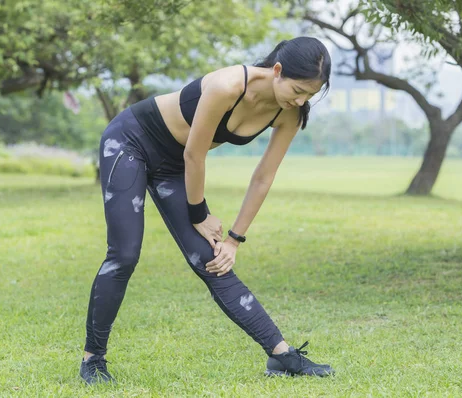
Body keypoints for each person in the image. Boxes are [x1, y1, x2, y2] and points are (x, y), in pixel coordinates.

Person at [80, 36, 333, 385]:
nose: (301, 100)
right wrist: (200, 214)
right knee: (124, 254)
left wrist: (234, 239)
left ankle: (282, 356)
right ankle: (93, 360)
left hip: (176, 165)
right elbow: (194, 156)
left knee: (213, 261)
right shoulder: (227, 85)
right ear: (277, 71)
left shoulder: (289, 114)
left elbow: (264, 176)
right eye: (299, 89)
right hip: (131, 142)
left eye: (310, 94)